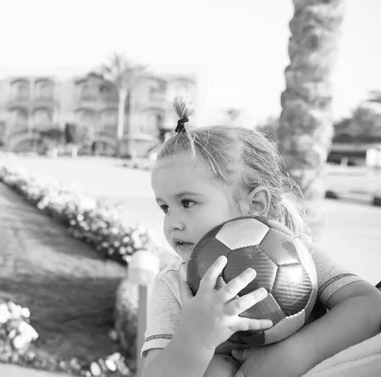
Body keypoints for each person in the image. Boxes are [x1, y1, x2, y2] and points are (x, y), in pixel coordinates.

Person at [141, 96, 381, 377]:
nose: (172, 224)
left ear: (255, 205)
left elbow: (368, 304)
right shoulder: (174, 284)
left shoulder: (296, 254)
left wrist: (295, 354)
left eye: (188, 203)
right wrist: (195, 339)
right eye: (165, 207)